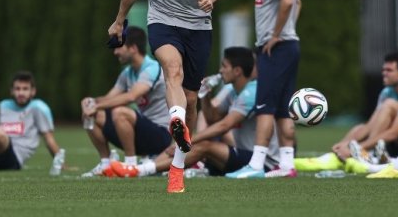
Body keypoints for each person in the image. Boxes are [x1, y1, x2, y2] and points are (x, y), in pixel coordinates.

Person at [107, 0, 237, 193]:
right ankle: (175, 120)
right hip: (162, 20)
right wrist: (119, 20)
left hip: (198, 26)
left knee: (191, 99)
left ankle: (177, 167)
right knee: (172, 69)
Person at [110, 46, 280, 178]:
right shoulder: (231, 90)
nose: (220, 70)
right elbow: (213, 117)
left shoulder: (252, 91)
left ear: (237, 71)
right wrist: (205, 96)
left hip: (263, 163)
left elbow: (224, 125)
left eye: (224, 66)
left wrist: (189, 140)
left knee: (204, 146)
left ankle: (140, 170)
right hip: (242, 154)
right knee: (191, 144)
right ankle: (144, 168)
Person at [226, 0, 301, 179]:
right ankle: (287, 164)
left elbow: (288, 1)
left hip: (275, 49)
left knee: (265, 106)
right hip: (289, 46)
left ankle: (256, 164)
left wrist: (276, 35)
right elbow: (297, 3)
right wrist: (288, 32)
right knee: (281, 108)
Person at [294, 52, 398, 173]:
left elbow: (394, 133)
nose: (384, 73)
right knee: (360, 127)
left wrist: (359, 148)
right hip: (396, 143)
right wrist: (345, 143)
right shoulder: (387, 91)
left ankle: (367, 154)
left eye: (389, 70)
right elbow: (369, 127)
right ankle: (338, 154)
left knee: (389, 105)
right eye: (383, 69)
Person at [81, 26, 171, 177]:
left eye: (119, 47)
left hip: (162, 135)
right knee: (92, 113)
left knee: (120, 112)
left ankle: (130, 165)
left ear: (133, 48)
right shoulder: (127, 73)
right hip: (141, 133)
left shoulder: (152, 68)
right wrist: (90, 102)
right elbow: (109, 99)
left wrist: (96, 105)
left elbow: (131, 97)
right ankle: (105, 163)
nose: (115, 52)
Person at [0, 71, 63, 171]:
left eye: (25, 89)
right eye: (17, 89)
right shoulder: (4, 106)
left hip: (13, 159)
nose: (21, 93)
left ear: (33, 91)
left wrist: (61, 164)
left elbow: (49, 139)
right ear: (12, 91)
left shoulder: (38, 108)